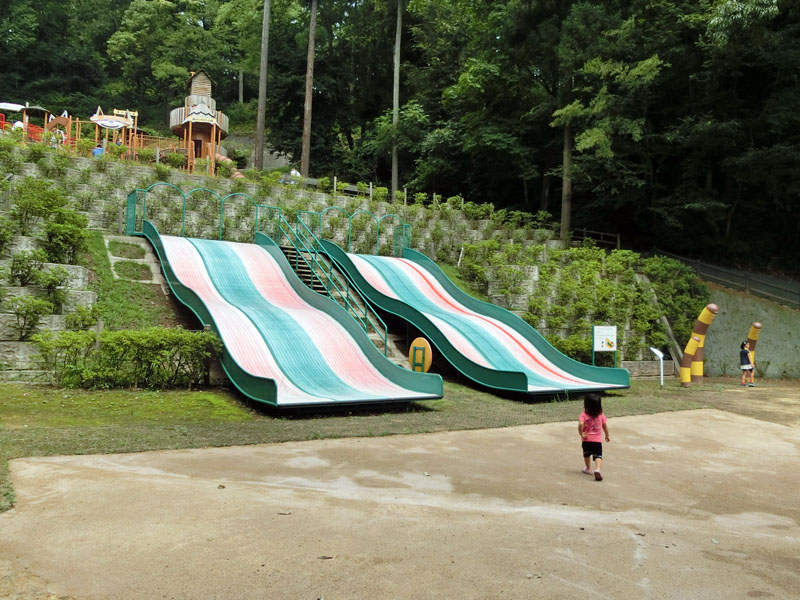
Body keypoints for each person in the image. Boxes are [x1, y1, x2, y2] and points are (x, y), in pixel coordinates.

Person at [578, 393, 610, 481]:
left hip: (586, 440)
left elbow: (581, 424)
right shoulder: (601, 415)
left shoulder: (583, 415)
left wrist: (581, 433)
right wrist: (607, 434)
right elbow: (604, 425)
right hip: (597, 441)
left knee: (586, 455)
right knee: (598, 456)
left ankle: (588, 468)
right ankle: (598, 469)